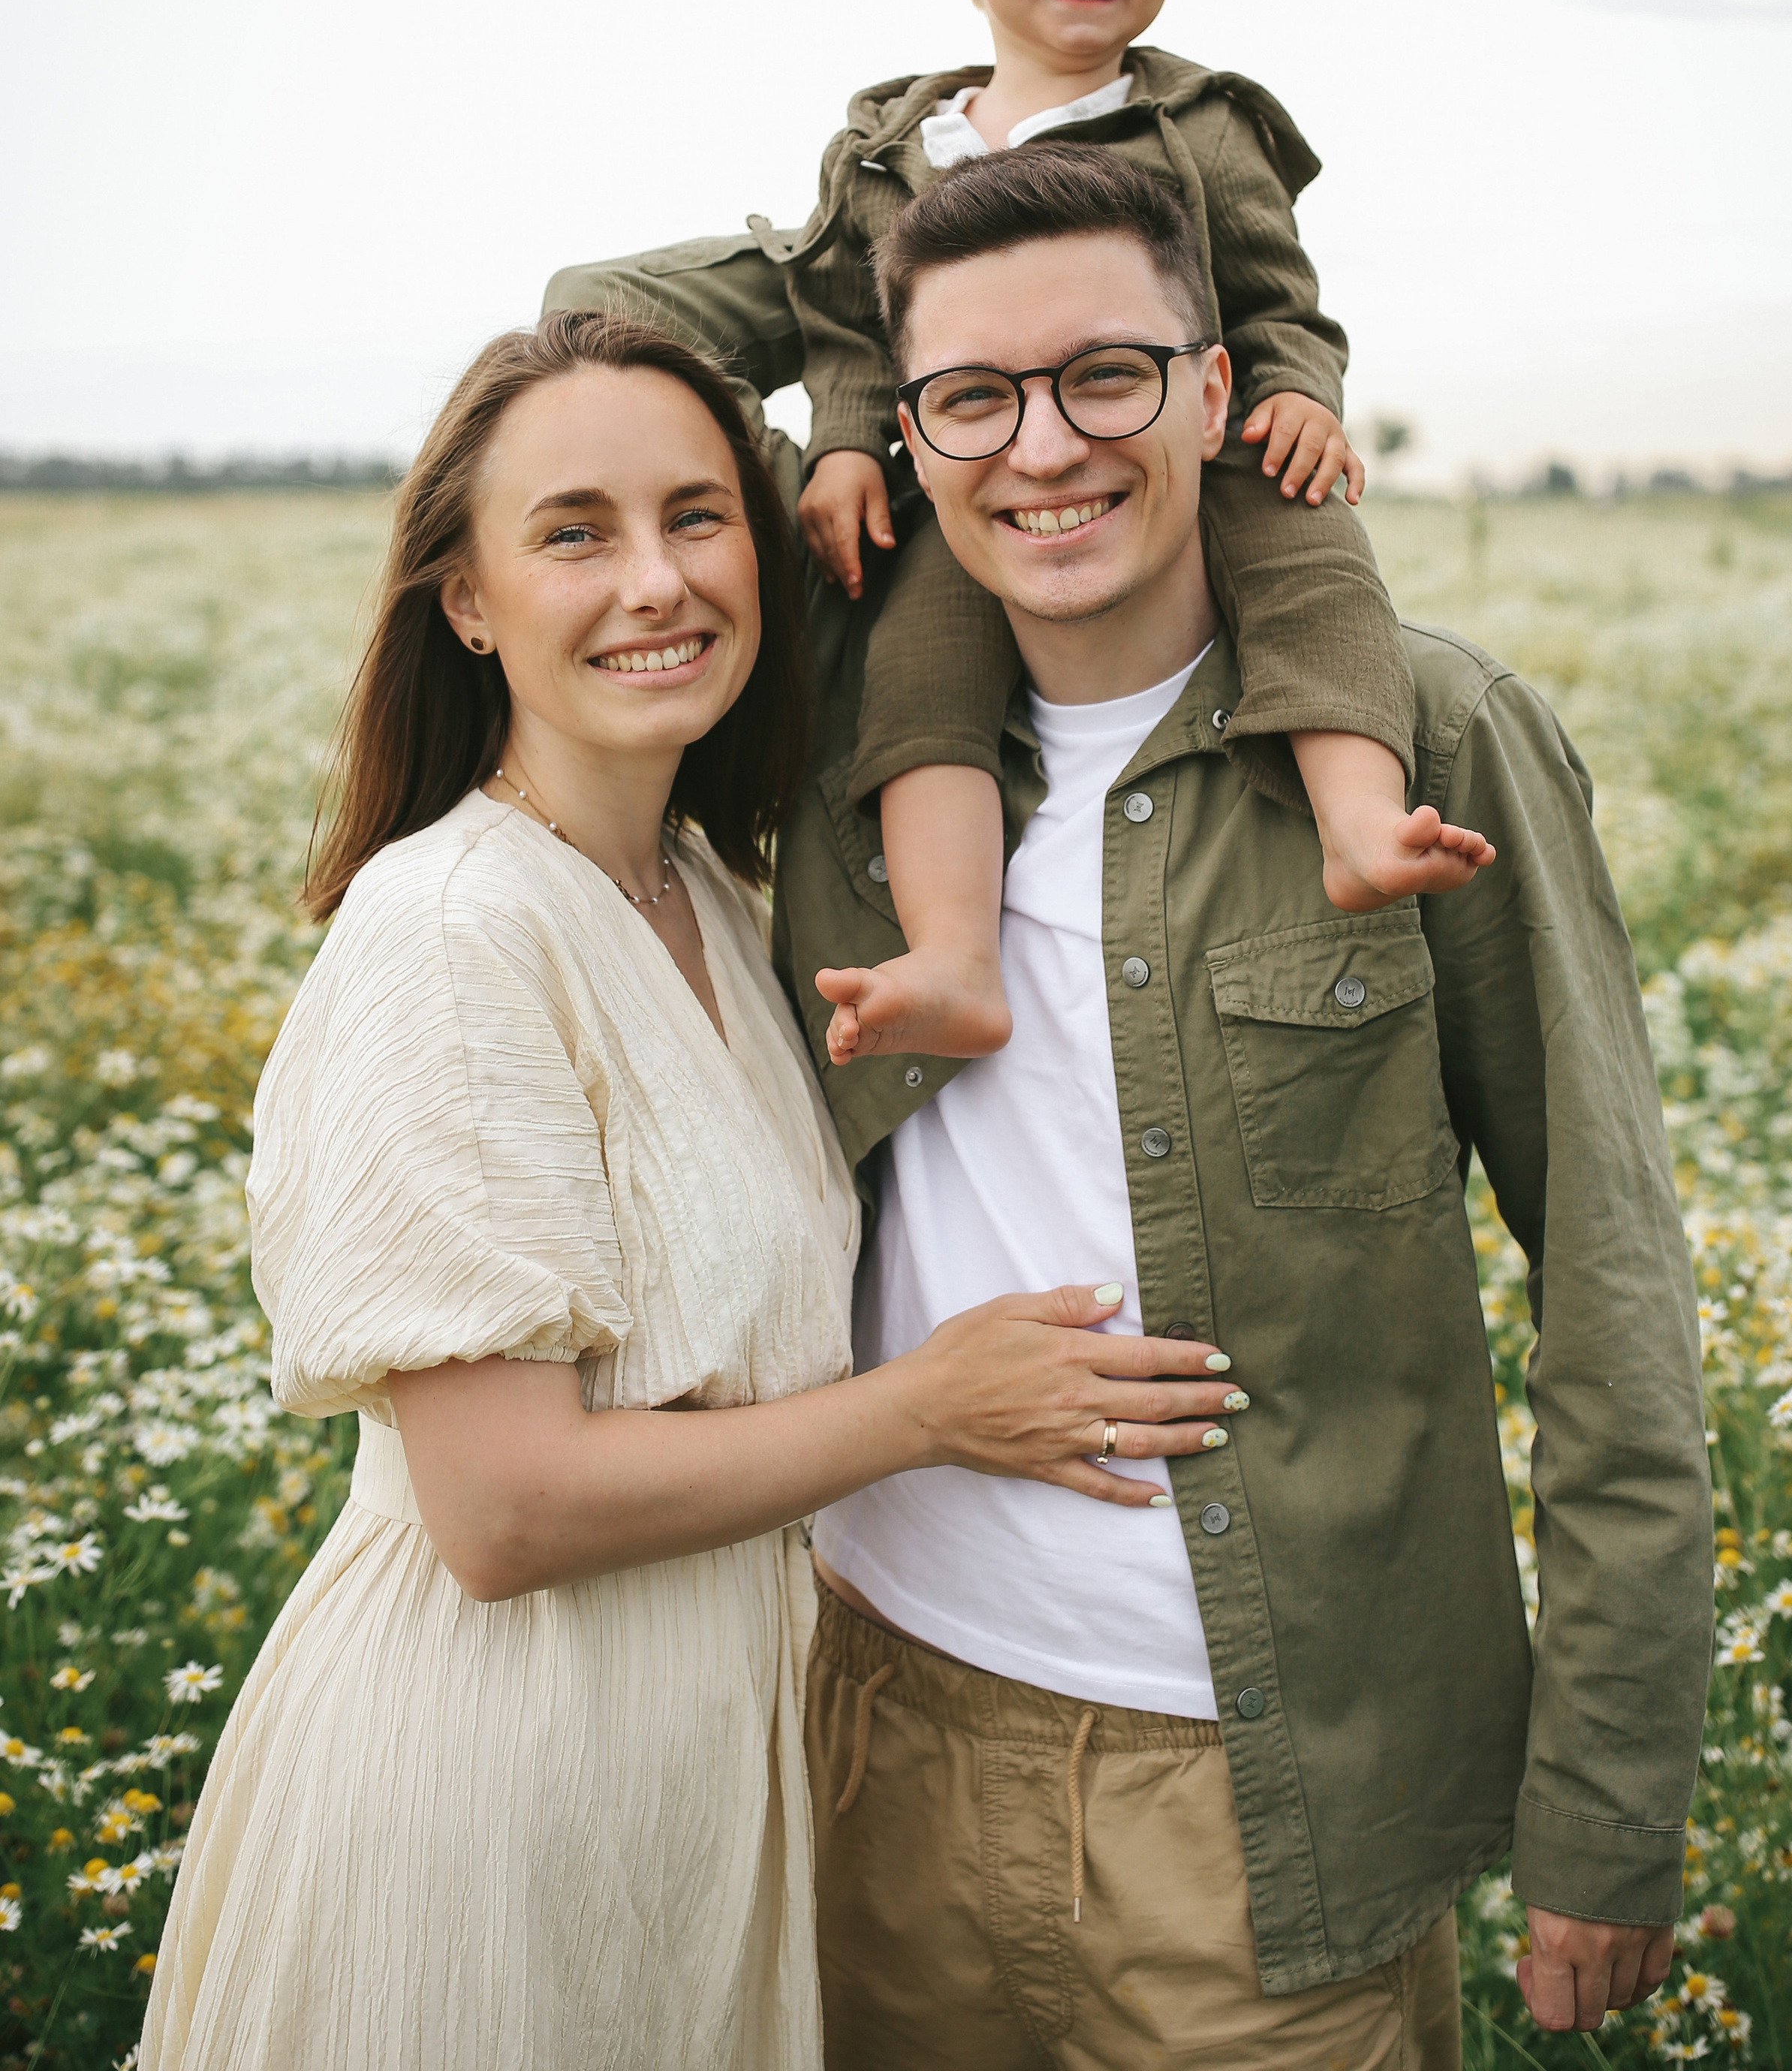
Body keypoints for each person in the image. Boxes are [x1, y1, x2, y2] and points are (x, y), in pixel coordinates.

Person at [562, 155, 1715, 2066]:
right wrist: (869, 257)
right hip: (868, 1734)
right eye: (974, 399)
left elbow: (1610, 1283)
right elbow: (603, 314)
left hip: (1264, 1811)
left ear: (1214, 388)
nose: (1042, 452)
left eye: (1106, 375)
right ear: (909, 430)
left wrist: (1610, 1800)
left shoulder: (1425, 740)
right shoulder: (838, 711)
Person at [139, 310, 1248, 2071]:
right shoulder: (454, 930)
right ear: (470, 599)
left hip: (692, 1793)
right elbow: (499, 1512)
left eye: (697, 515)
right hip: (493, 1800)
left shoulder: (717, 904)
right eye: (574, 532)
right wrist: (930, 1410)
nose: (653, 580)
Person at [551, 0, 1492, 1083]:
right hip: (973, 493)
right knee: (917, 685)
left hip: (1204, 466)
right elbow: (848, 335)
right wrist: (839, 449)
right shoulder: (894, 154)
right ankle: (956, 957)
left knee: (1323, 574)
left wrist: (1297, 397)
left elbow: (1281, 300)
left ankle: (1358, 825)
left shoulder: (1205, 130)